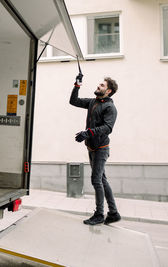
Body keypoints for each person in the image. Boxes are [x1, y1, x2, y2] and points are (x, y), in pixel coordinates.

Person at [69, 74, 121, 225]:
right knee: (102, 180)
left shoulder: (110, 107)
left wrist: (88, 132)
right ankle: (113, 213)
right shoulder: (93, 102)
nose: (98, 86)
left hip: (101, 148)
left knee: (96, 180)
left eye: (102, 85)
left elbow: (108, 128)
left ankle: (99, 214)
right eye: (99, 84)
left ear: (109, 91)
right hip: (92, 146)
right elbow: (74, 101)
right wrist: (77, 85)